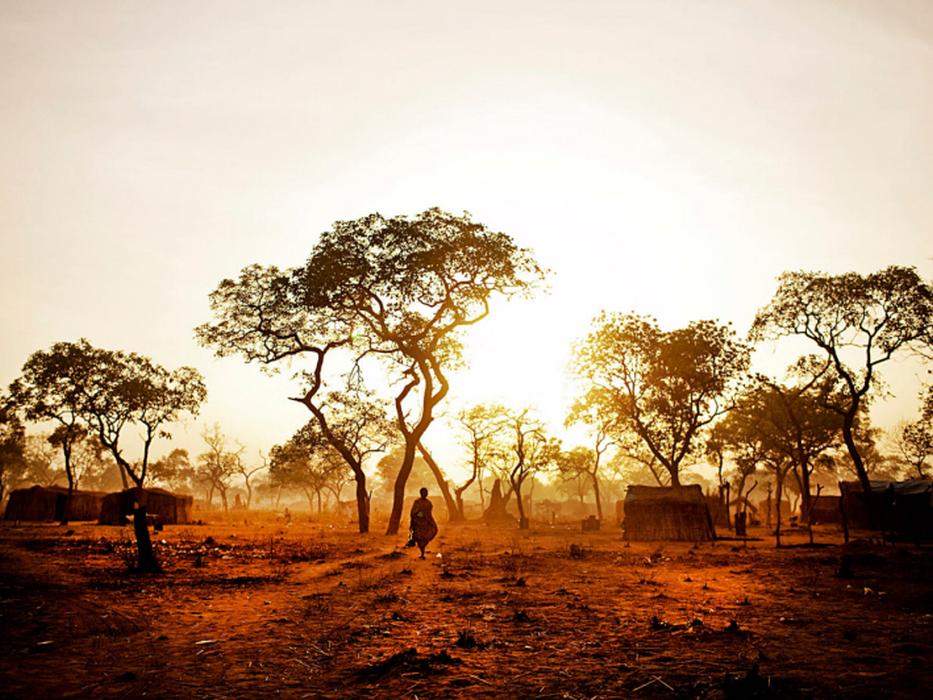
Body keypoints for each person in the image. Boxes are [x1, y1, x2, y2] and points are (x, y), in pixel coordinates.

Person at [408, 487, 438, 559]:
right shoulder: (417, 502)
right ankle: (422, 553)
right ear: (420, 493)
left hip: (426, 523)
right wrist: (417, 515)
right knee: (419, 538)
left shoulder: (428, 503)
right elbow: (413, 512)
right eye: (423, 493)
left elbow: (429, 513)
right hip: (418, 523)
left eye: (426, 493)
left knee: (427, 537)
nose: (425, 494)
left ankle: (422, 553)